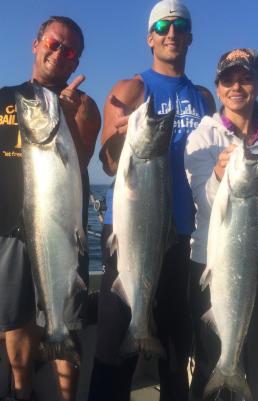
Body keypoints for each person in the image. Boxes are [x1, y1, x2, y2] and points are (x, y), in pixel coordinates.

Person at [88, 1, 215, 400]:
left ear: (191, 37)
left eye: (180, 26)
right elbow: (109, 165)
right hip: (130, 233)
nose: (171, 32)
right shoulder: (129, 89)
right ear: (150, 37)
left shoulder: (203, 98)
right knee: (112, 361)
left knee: (177, 362)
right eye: (162, 26)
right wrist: (120, 138)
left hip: (183, 241)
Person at [0, 16, 101, 401]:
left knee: (67, 318)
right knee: (16, 320)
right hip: (8, 227)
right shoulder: (6, 96)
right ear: (36, 43)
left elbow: (85, 158)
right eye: (54, 43)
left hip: (59, 224)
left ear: (76, 63)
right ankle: (22, 392)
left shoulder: (83, 105)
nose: (59, 53)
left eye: (69, 51)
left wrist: (72, 120)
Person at [185, 48, 258, 401]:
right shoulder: (203, 137)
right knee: (210, 362)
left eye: (245, 78)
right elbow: (202, 202)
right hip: (214, 269)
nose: (237, 87)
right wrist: (216, 176)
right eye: (228, 80)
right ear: (217, 88)